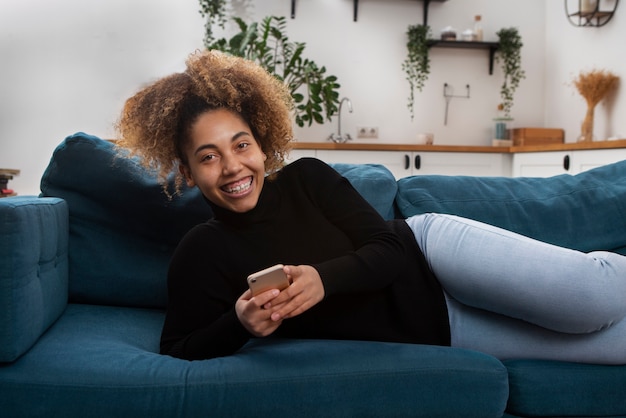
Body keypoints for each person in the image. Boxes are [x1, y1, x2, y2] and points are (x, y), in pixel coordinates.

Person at [116, 50, 626, 364]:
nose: (232, 166)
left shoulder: (307, 179)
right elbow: (178, 347)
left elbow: (389, 247)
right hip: (436, 329)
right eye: (209, 157)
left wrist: (323, 279)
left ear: (261, 142)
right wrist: (240, 325)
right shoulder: (201, 252)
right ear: (186, 171)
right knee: (614, 348)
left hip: (433, 255)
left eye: (241, 144)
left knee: (592, 299)